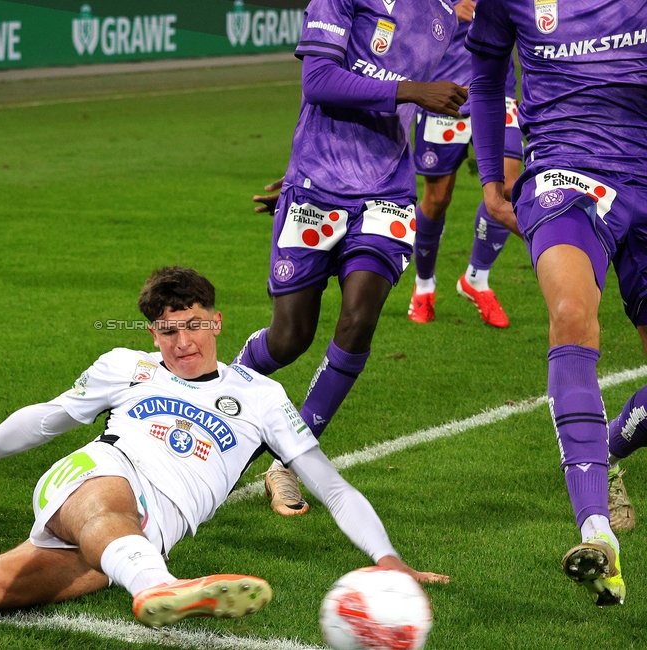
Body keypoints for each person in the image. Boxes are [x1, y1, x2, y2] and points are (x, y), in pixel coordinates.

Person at [0, 267, 448, 627]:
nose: (184, 342)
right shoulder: (124, 368)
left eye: (195, 325)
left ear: (218, 321)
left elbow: (329, 484)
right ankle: (158, 589)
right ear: (153, 337)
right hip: (98, 476)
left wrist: (386, 558)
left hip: (146, 531)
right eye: (169, 332)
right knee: (112, 504)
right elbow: (44, 419)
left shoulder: (261, 398)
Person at [234, 0, 467, 515]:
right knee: (289, 338)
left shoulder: (447, 14)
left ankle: (289, 461)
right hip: (316, 186)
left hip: (387, 191)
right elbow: (318, 80)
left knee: (359, 318)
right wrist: (411, 90)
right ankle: (219, 410)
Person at [467, 0, 646, 606]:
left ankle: (608, 446)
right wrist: (493, 175)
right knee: (571, 313)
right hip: (566, 173)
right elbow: (487, 74)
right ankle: (596, 528)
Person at [406, 0, 523, 329]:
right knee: (438, 198)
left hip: (498, 91)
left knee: (510, 185)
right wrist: (446, 14)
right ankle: (424, 285)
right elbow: (405, 27)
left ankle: (477, 278)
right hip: (446, 96)